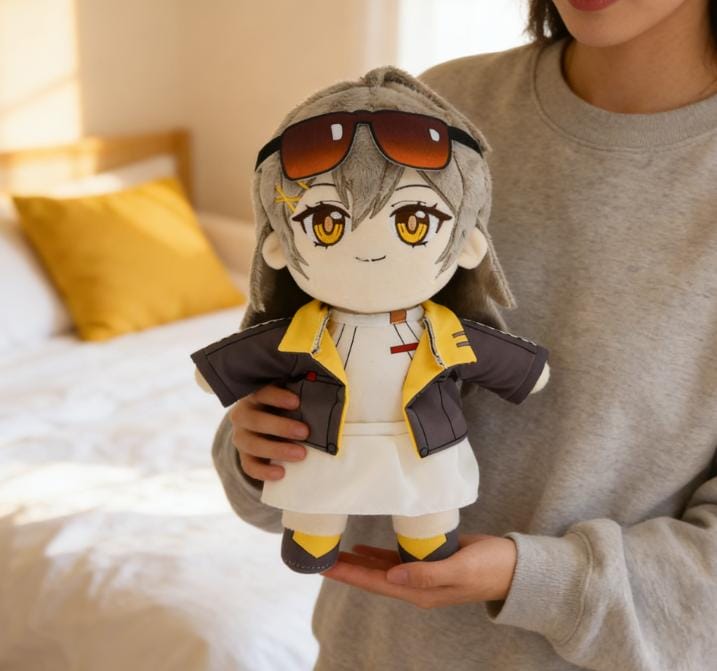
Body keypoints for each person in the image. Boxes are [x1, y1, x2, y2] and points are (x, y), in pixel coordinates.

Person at [211, 0, 717, 668]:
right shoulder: (436, 113)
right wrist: (260, 446)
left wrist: (536, 578)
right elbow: (287, 361)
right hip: (369, 651)